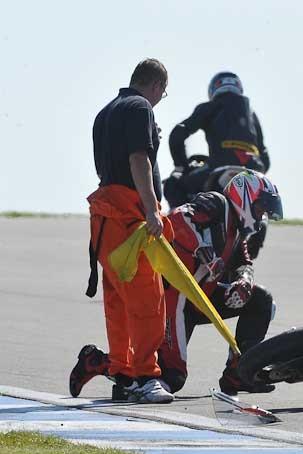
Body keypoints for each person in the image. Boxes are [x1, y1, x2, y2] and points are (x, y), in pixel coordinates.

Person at [70, 170, 283, 398]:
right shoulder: (216, 204)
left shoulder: (239, 233)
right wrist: (202, 249)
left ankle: (238, 374)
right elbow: (177, 218)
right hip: (173, 299)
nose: (262, 217)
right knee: (171, 378)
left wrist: (243, 282)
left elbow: (245, 263)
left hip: (199, 300)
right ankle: (98, 362)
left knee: (261, 301)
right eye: (261, 208)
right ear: (245, 197)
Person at [70, 58, 173, 403]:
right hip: (129, 216)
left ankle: (124, 374)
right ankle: (146, 376)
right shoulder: (141, 107)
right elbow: (138, 159)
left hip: (103, 218)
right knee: (147, 301)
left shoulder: (106, 112)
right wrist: (150, 210)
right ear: (156, 85)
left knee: (117, 300)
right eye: (164, 92)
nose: (161, 98)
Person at [163, 72, 271, 208]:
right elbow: (265, 156)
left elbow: (178, 133)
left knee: (174, 184)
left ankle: (184, 227)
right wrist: (259, 169)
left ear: (213, 89)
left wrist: (182, 165)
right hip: (254, 169)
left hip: (218, 168)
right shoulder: (252, 115)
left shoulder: (210, 107)